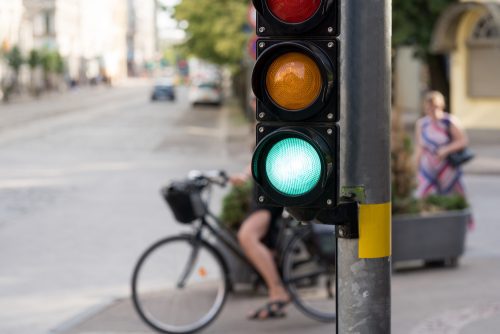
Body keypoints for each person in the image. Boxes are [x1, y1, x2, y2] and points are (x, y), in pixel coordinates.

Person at [229, 93, 289, 320]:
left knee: (247, 236)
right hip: (263, 193)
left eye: (255, 99)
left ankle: (278, 291)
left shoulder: (273, 123)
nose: (251, 103)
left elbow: (266, 157)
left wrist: (245, 174)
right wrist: (243, 175)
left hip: (269, 196)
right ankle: (275, 300)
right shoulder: (265, 123)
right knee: (267, 246)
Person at [415, 91, 469, 199]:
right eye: (429, 107)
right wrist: (414, 166)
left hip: (447, 167)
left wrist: (446, 150)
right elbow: (420, 146)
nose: (432, 110)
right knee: (425, 196)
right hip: (428, 167)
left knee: (451, 197)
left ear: (441, 106)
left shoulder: (449, 121)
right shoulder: (422, 124)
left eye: (435, 107)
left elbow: (463, 141)